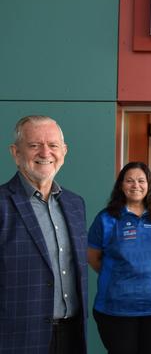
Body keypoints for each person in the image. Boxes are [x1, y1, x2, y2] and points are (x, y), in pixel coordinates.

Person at [0, 115, 87, 353]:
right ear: (16, 153)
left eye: (53, 145)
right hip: (17, 339)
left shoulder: (75, 204)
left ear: (64, 151)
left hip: (72, 335)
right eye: (34, 145)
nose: (45, 152)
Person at [88, 162, 151, 354]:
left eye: (141, 180)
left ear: (149, 185)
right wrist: (121, 274)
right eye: (129, 181)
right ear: (121, 185)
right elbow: (94, 259)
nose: (135, 185)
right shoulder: (106, 218)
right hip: (116, 309)